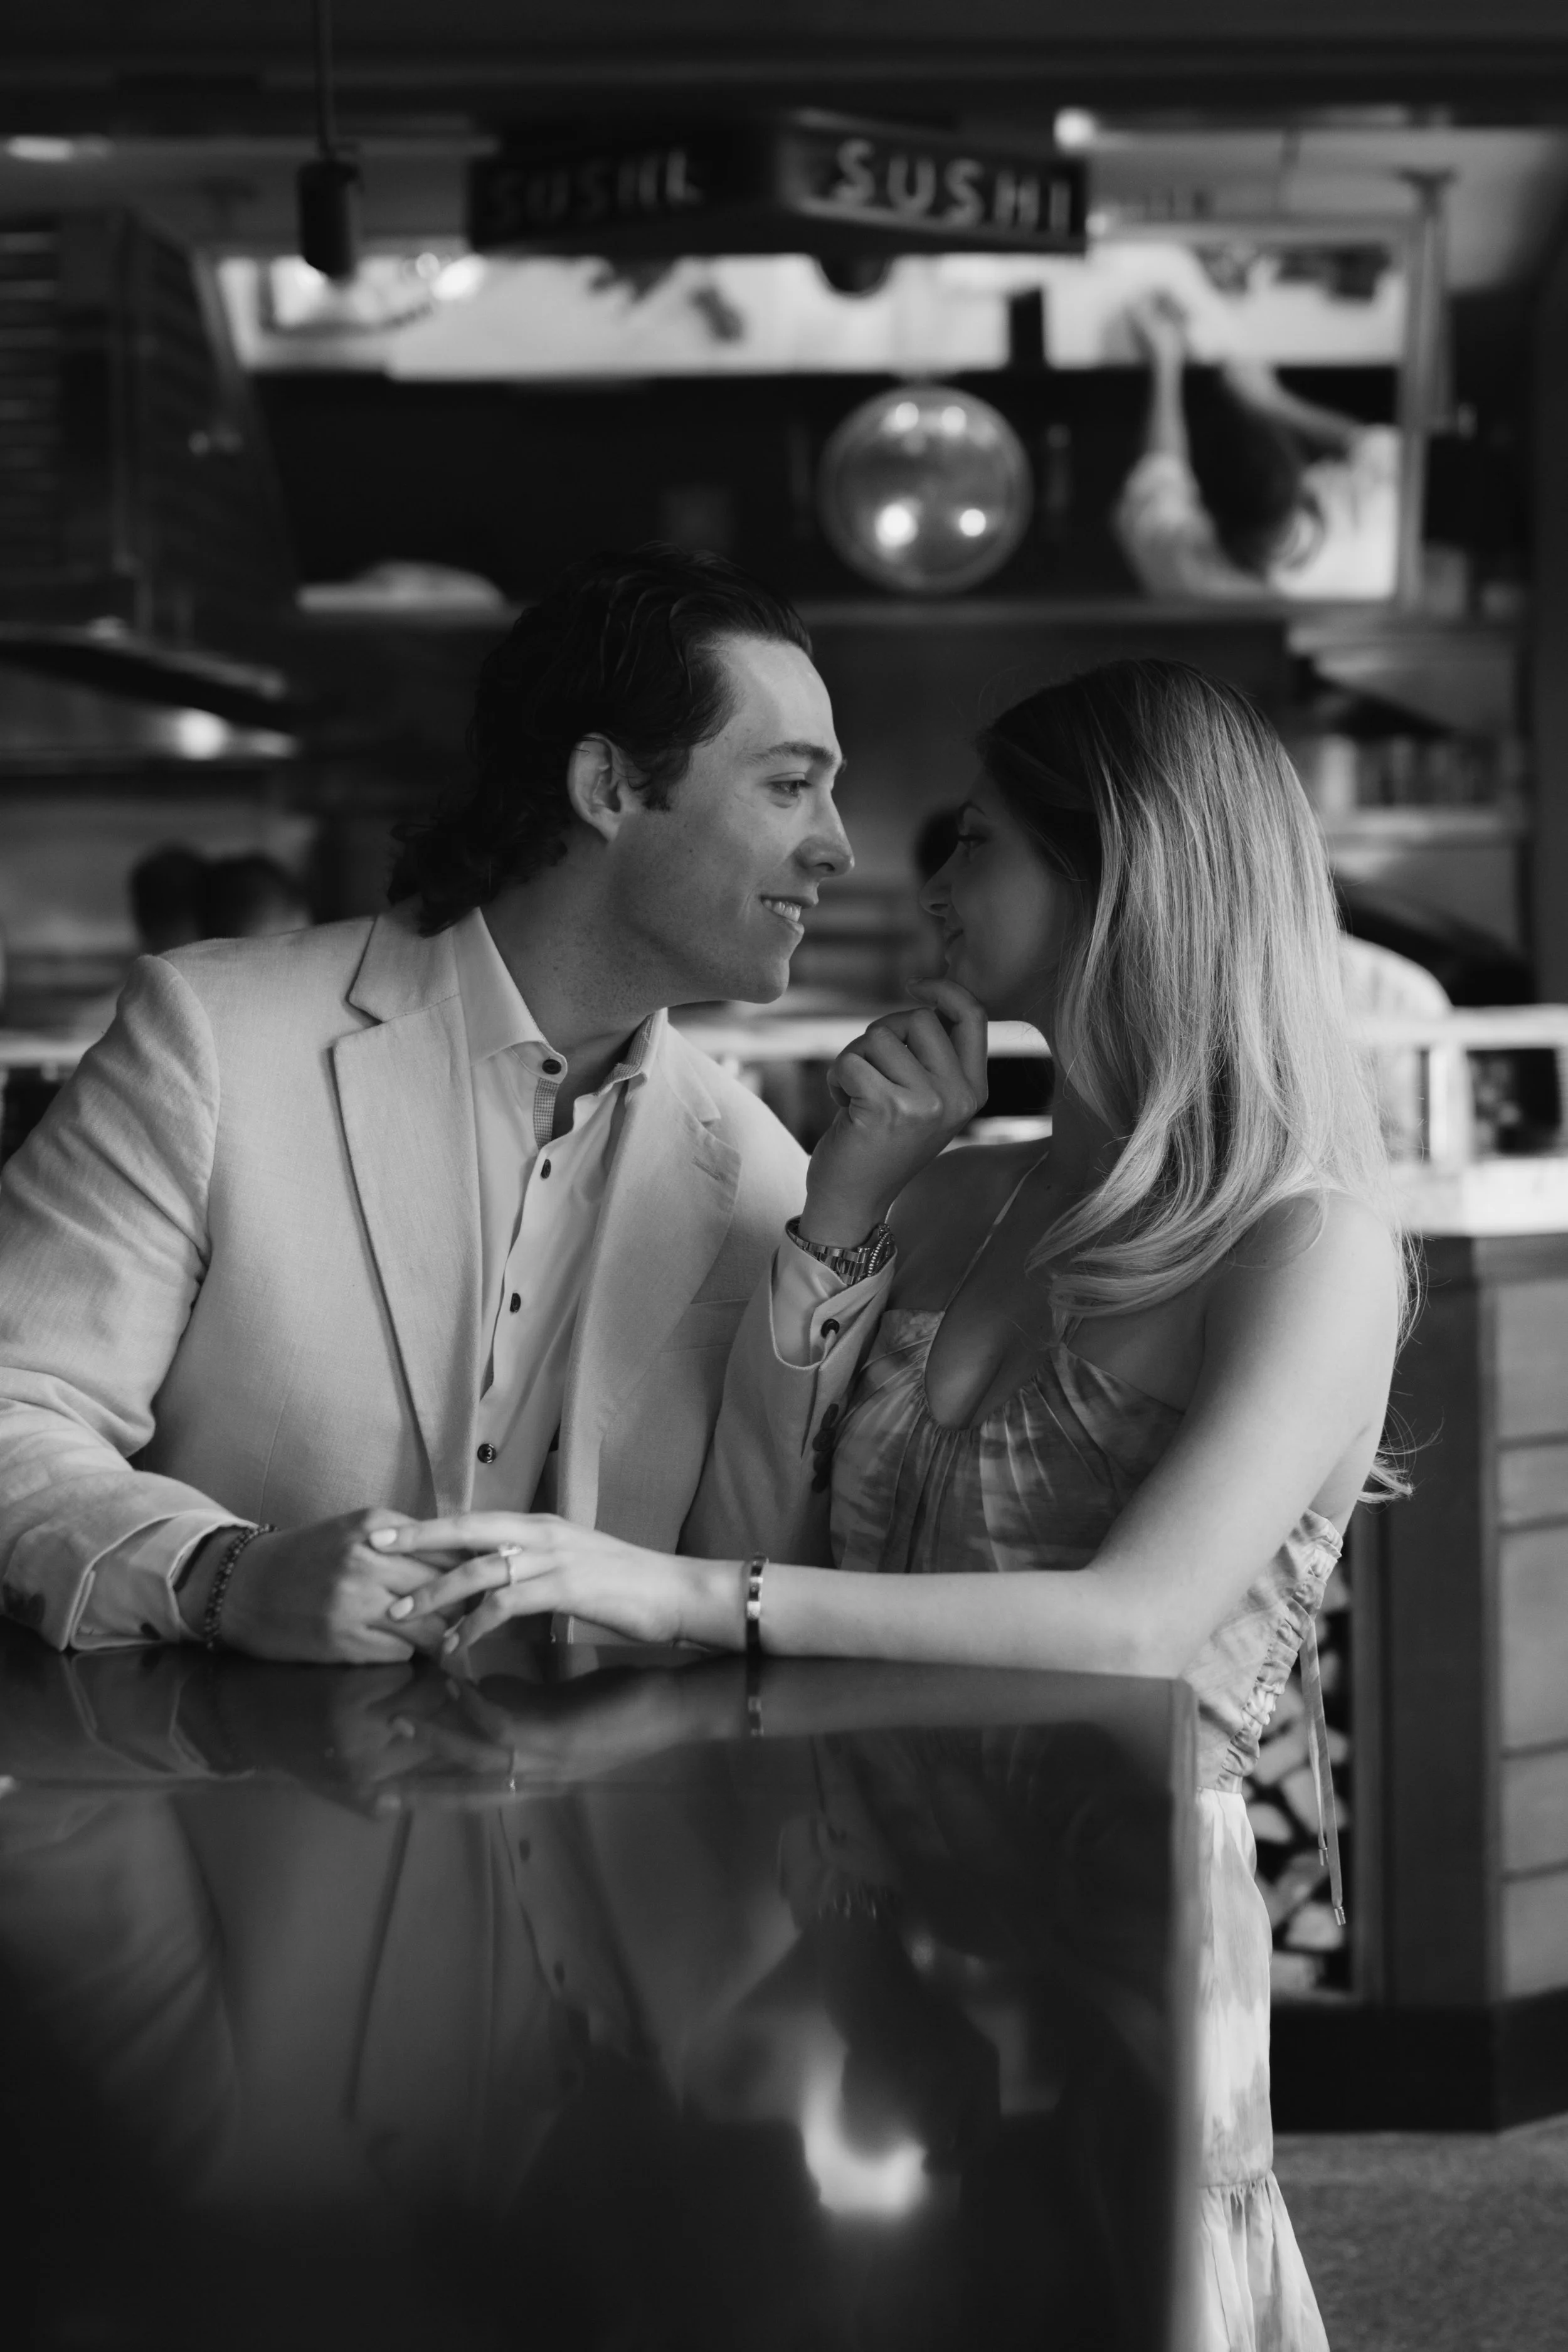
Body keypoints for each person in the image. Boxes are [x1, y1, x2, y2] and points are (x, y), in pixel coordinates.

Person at [382, 658, 1410, 2349]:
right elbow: (772, 1528)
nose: (923, 882)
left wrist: (659, 1590)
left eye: (979, 845)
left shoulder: (1302, 1240)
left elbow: (1133, 1623)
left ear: (1120, 874)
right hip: (867, 1889)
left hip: (1109, 1923)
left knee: (1109, 2289)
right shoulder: (953, 1201)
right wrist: (847, 1202)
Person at [0, 544, 850, 1658]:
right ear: (609, 787)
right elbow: (18, 1409)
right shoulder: (211, 1040)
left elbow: (754, 1580)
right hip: (214, 1802)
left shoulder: (767, 1175)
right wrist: (223, 1575)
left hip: (592, 1816)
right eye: (791, 785)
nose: (835, 847)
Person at [1114, 290, 1400, 603]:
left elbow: (1161, 468)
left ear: (1204, 509)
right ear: (1303, 480)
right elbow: (1377, 441)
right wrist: (1274, 401)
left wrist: (1166, 362)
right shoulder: (1383, 525)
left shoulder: (1180, 566)